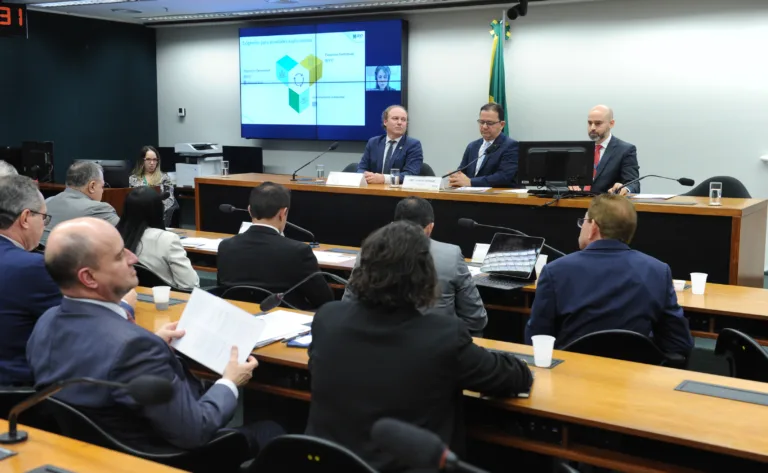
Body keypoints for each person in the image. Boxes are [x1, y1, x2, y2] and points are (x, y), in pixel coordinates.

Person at [27, 217, 278, 455]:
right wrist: (230, 382)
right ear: (88, 277)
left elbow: (101, 366)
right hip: (159, 457)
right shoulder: (134, 346)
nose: (133, 257)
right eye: (119, 255)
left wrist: (155, 344)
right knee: (271, 431)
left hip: (90, 452)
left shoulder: (45, 322)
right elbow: (195, 430)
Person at [306, 221, 533, 472]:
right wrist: (522, 366)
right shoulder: (443, 335)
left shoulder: (328, 319)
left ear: (363, 268)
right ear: (425, 274)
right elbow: (509, 378)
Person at [525, 194, 693, 356]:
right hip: (635, 378)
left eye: (583, 221)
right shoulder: (658, 271)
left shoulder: (555, 272)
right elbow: (679, 343)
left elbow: (535, 340)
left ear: (593, 228)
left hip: (570, 377)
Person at [342, 197, 487, 335]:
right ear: (430, 227)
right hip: (436, 345)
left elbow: (348, 307)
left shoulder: (368, 250)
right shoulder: (451, 255)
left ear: (393, 225)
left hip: (374, 341)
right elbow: (475, 319)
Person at [217, 182, 334, 310]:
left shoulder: (225, 246)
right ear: (283, 213)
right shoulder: (298, 251)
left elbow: (222, 292)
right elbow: (324, 300)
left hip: (240, 319)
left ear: (250, 210)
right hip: (287, 323)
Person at [0, 175, 61, 386]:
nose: (44, 225)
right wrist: (124, 305)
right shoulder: (33, 268)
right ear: (25, 218)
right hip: (21, 397)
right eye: (43, 217)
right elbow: (77, 326)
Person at [116, 187, 199, 291]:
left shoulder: (114, 236)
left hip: (127, 297)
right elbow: (189, 284)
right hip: (168, 301)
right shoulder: (168, 239)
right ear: (158, 210)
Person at [42, 161, 119, 245]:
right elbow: (127, 236)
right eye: (102, 186)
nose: (102, 191)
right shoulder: (99, 209)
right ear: (92, 186)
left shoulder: (47, 202)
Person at [450, 103, 519, 188]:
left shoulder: (511, 146)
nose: (484, 127)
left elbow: (503, 176)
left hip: (499, 198)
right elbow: (462, 171)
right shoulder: (472, 146)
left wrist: (471, 182)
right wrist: (456, 177)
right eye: (481, 122)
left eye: (489, 123)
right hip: (472, 197)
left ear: (502, 125)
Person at [356, 105, 423, 184]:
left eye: (403, 120)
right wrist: (366, 175)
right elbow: (361, 169)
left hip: (397, 194)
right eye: (395, 118)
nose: (399, 123)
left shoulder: (413, 145)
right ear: (385, 122)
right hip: (373, 191)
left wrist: (384, 179)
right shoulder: (373, 142)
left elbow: (411, 175)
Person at [585, 105, 640, 195]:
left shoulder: (625, 150)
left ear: (611, 123)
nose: (592, 128)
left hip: (606, 205)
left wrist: (624, 188)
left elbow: (634, 184)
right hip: (577, 203)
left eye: (598, 123)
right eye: (590, 123)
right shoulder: (582, 150)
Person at [129, 146, 178, 226]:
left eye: (154, 160)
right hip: (139, 218)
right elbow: (132, 201)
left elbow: (169, 200)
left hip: (159, 217)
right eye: (148, 159)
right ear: (142, 161)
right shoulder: (133, 179)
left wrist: (154, 210)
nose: (152, 163)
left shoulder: (164, 178)